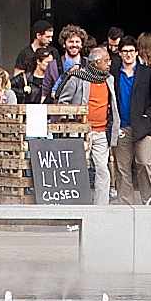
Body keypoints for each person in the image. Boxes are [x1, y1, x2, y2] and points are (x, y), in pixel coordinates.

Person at [55, 46, 119, 205]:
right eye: (106, 60)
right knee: (79, 169)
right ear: (96, 62)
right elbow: (63, 102)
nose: (109, 63)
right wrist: (72, 122)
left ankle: (101, 208)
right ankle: (78, 206)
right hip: (81, 132)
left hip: (101, 132)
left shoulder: (109, 79)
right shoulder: (78, 78)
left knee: (103, 170)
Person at [113, 36, 151, 204]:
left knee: (144, 163)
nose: (128, 54)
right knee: (122, 168)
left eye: (131, 51)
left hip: (143, 127)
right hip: (121, 126)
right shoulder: (113, 73)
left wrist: (148, 116)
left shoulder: (147, 72)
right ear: (120, 53)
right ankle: (125, 204)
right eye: (125, 51)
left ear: (136, 52)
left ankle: (149, 201)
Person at [41, 25, 87, 102]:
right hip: (58, 110)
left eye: (77, 42)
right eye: (71, 41)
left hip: (82, 110)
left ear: (81, 45)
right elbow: (45, 93)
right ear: (64, 44)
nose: (74, 45)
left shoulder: (88, 64)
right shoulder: (53, 65)